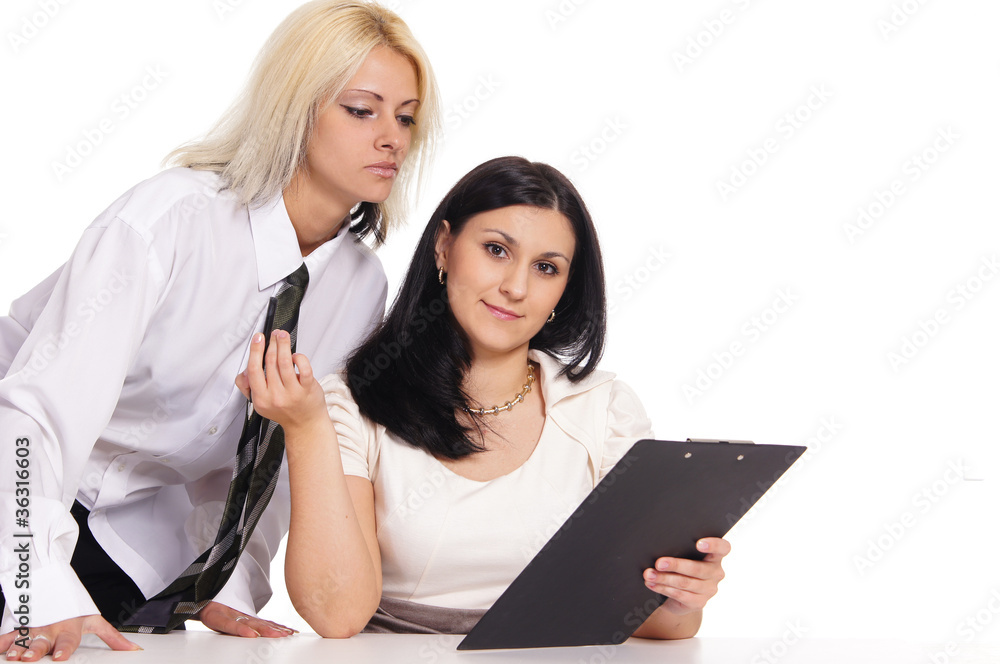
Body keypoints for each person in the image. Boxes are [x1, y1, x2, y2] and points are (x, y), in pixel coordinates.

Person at [0, 1, 440, 660]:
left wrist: (231, 581)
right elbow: (33, 418)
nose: (393, 139)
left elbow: (279, 457)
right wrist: (36, 587)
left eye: (406, 117)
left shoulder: (359, 286)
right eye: (362, 110)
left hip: (131, 534)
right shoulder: (169, 222)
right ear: (294, 110)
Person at [241, 156, 731, 639]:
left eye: (546, 267)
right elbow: (337, 616)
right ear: (444, 247)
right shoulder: (354, 404)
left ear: (565, 288)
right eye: (496, 250)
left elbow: (658, 624)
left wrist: (680, 596)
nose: (516, 287)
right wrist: (305, 429)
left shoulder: (605, 409)